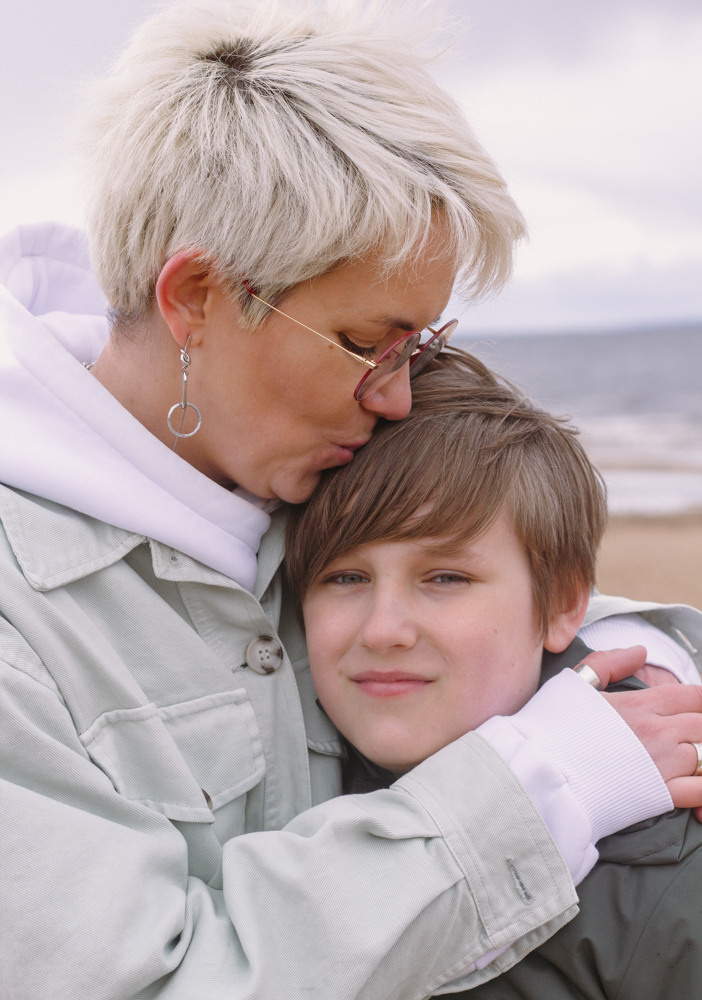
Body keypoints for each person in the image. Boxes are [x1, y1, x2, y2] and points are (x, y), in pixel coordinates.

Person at [1, 1, 701, 997]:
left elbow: (507, 587)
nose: (398, 395)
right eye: (367, 342)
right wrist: (541, 782)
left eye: (420, 346)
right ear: (197, 296)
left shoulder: (278, 454)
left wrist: (643, 680)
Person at [285, 347, 702, 997]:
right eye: (344, 577)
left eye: (445, 577)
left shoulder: (656, 871)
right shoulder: (291, 779)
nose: (382, 629)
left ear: (564, 604)